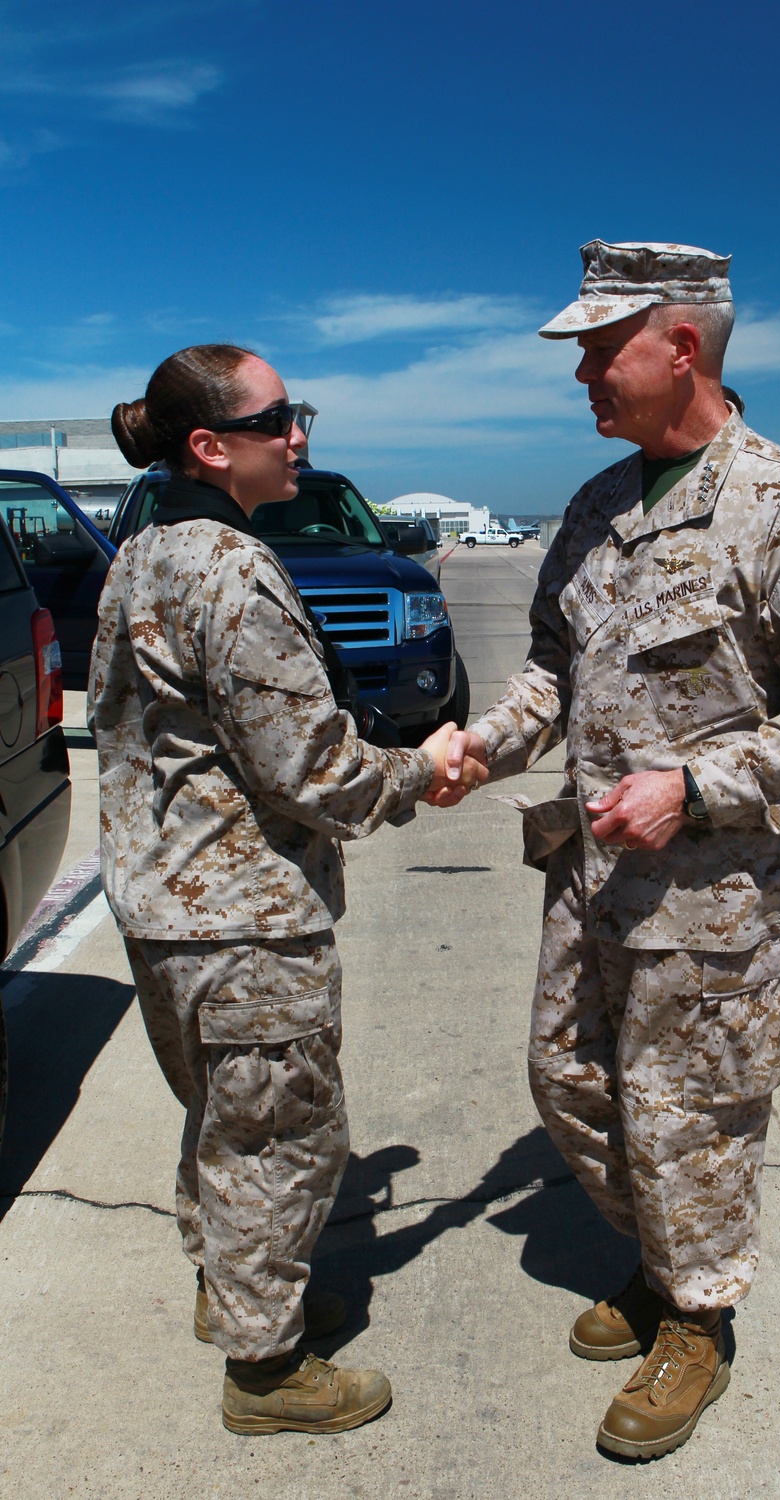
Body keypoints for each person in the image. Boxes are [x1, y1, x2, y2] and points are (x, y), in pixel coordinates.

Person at [439, 241, 780, 1459]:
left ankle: (697, 1317)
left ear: (677, 346)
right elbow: (551, 662)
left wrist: (695, 786)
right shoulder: (596, 506)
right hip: (589, 880)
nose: (581, 375)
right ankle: (661, 1255)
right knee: (570, 1085)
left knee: (692, 1114)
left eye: (599, 350)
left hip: (712, 899)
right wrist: (487, 742)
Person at [87, 344, 484, 1435]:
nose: (299, 436)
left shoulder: (140, 556)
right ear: (210, 448)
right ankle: (268, 1373)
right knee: (283, 1143)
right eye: (277, 420)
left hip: (165, 912)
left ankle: (231, 1293)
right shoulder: (227, 567)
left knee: (222, 1123)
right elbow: (313, 770)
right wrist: (423, 770)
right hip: (242, 920)